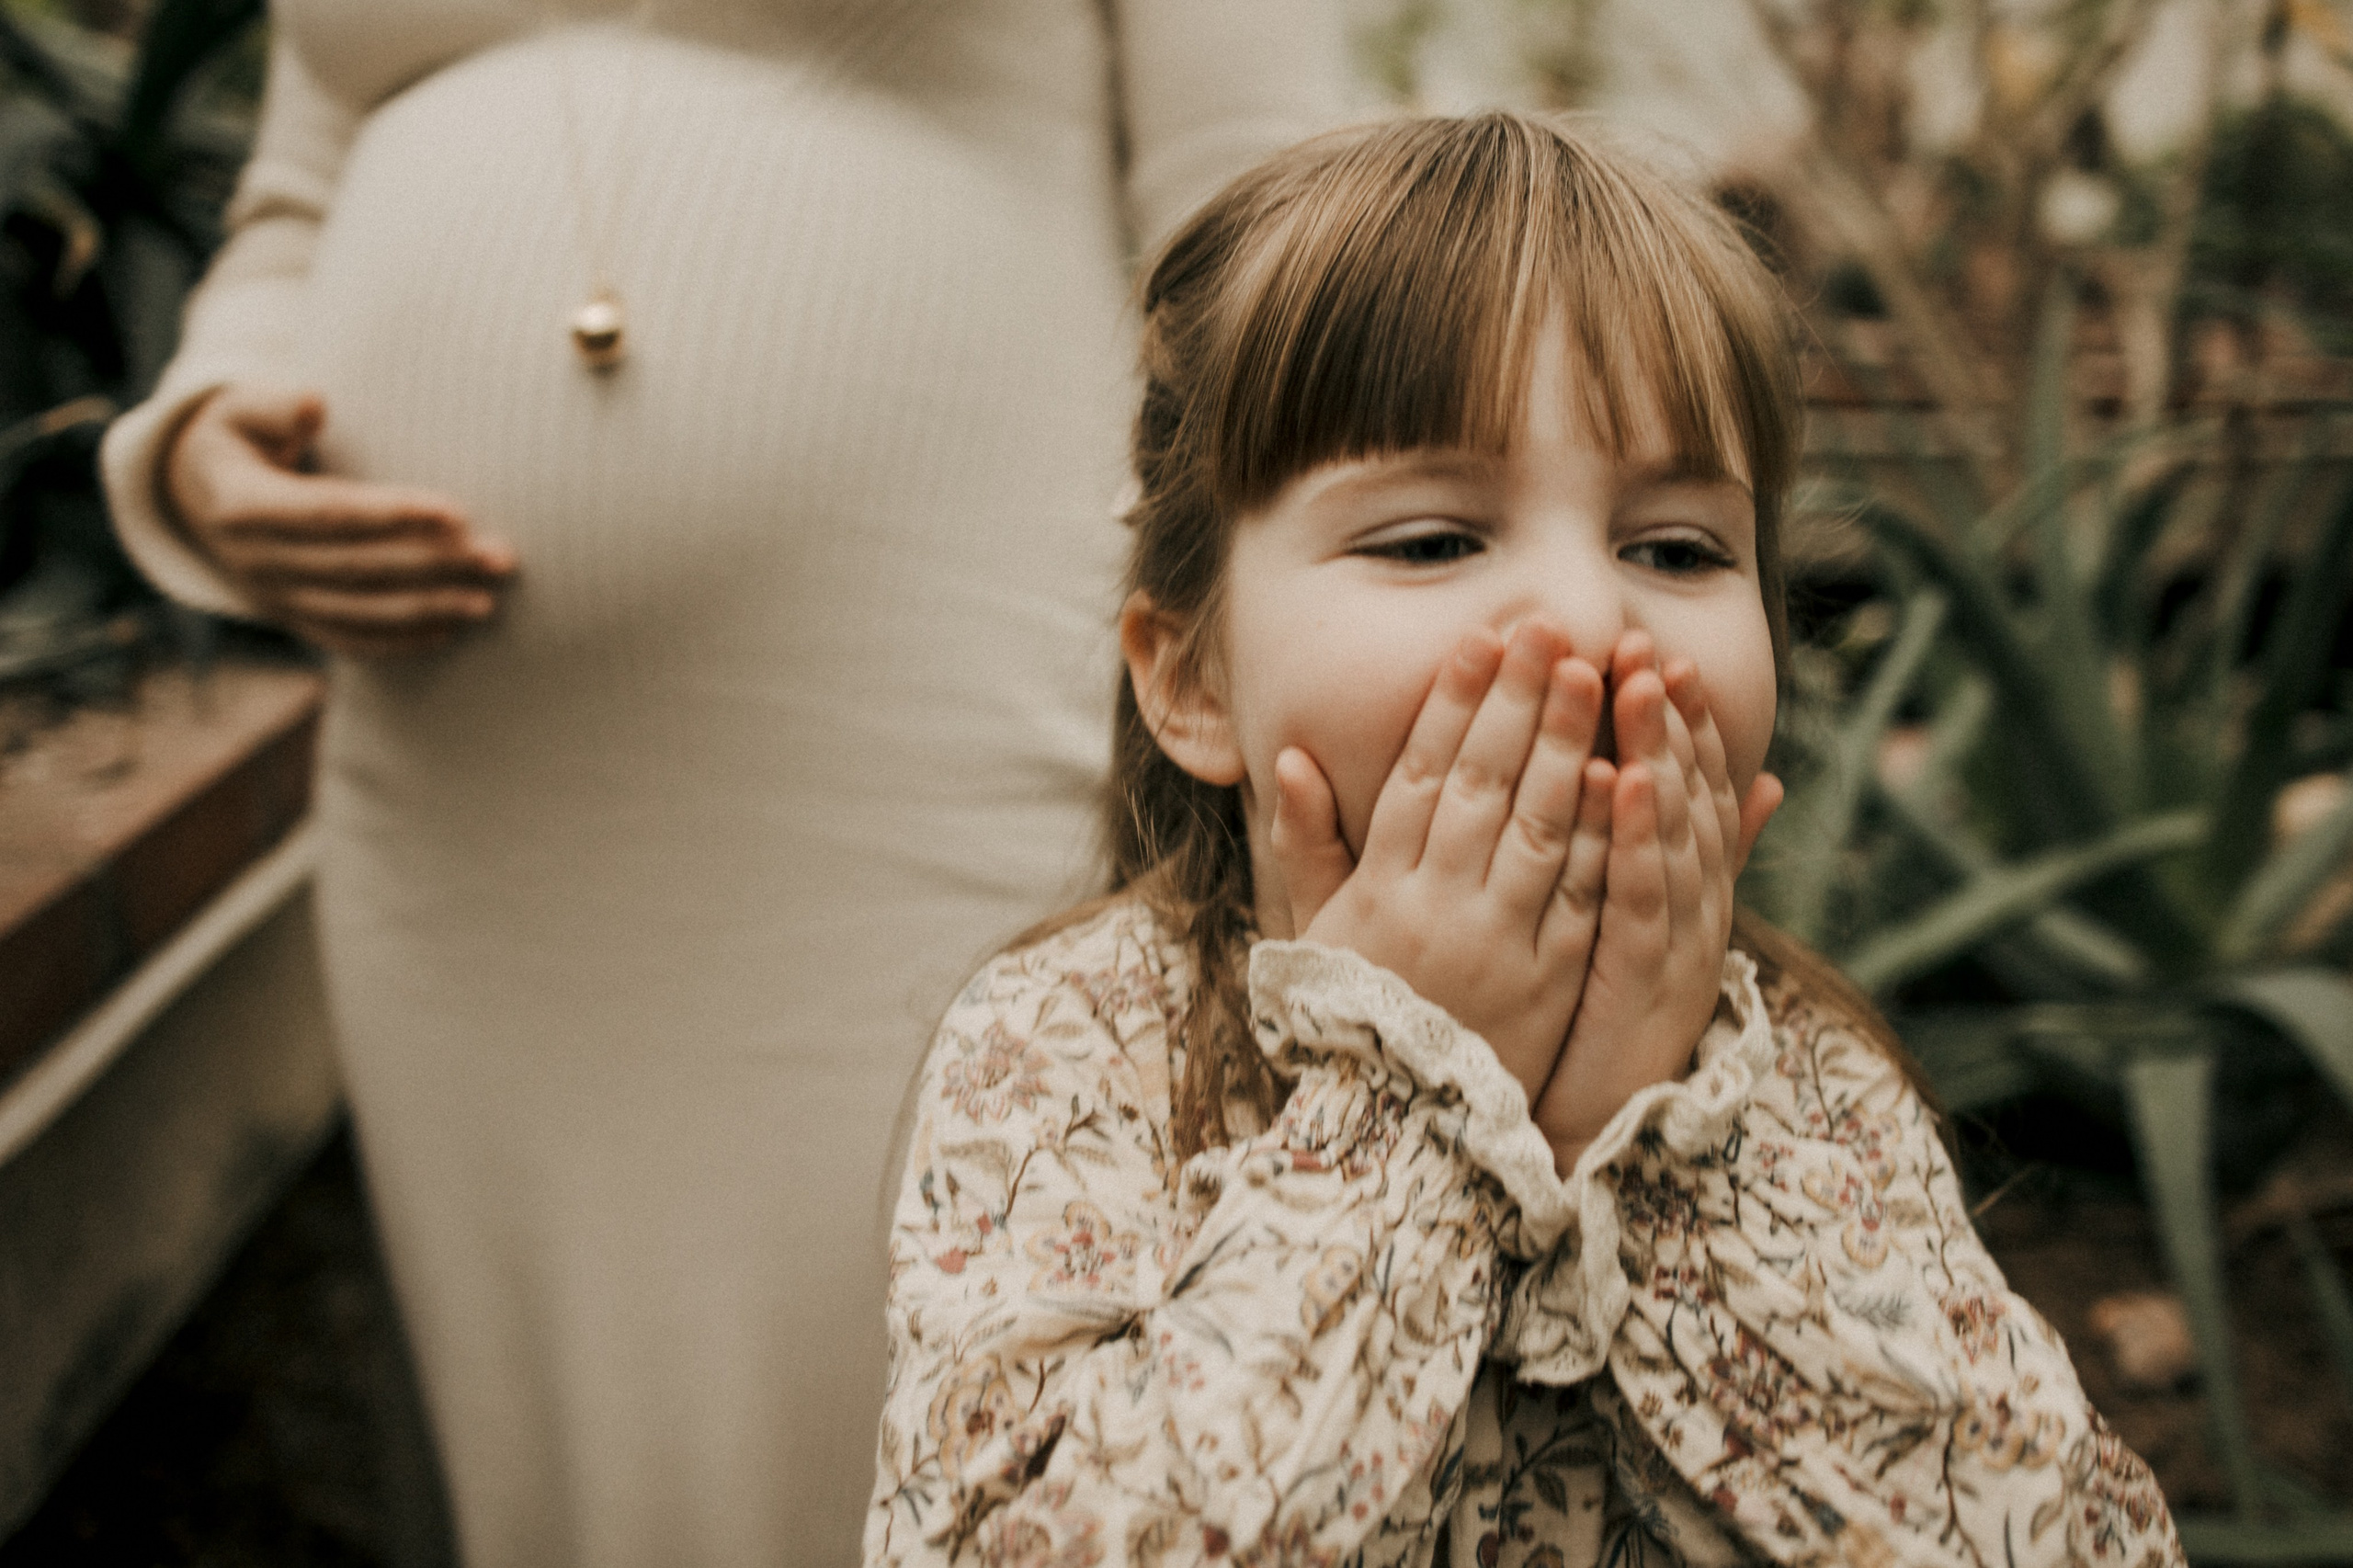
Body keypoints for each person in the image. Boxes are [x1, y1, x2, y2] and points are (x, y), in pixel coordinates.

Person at [99, 4, 1346, 1564]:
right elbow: (297, 188)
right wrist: (207, 435)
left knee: (919, 1427)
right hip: (464, 821)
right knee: (554, 1464)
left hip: (921, 749)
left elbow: (1269, 233)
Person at [867, 113, 2184, 1568]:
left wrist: (1647, 1142)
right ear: (1191, 677)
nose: (1588, 619)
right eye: (1432, 538)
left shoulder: (1796, 1073)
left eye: (1677, 549)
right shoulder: (1076, 1045)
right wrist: (1410, 1098)